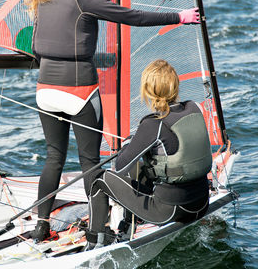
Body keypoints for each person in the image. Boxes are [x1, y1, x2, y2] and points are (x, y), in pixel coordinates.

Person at [25, 0, 201, 242]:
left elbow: (36, 47)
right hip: (78, 91)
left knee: (54, 156)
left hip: (44, 91)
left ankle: (41, 225)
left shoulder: (40, 0)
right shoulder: (82, 0)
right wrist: (179, 17)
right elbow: (134, 17)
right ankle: (98, 228)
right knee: (90, 162)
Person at [85, 59, 213, 249]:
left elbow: (120, 166)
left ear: (147, 90)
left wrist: (129, 143)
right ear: (175, 85)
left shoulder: (153, 123)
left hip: (170, 211)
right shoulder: (194, 107)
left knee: (99, 180)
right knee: (146, 165)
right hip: (201, 203)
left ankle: (94, 242)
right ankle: (127, 228)